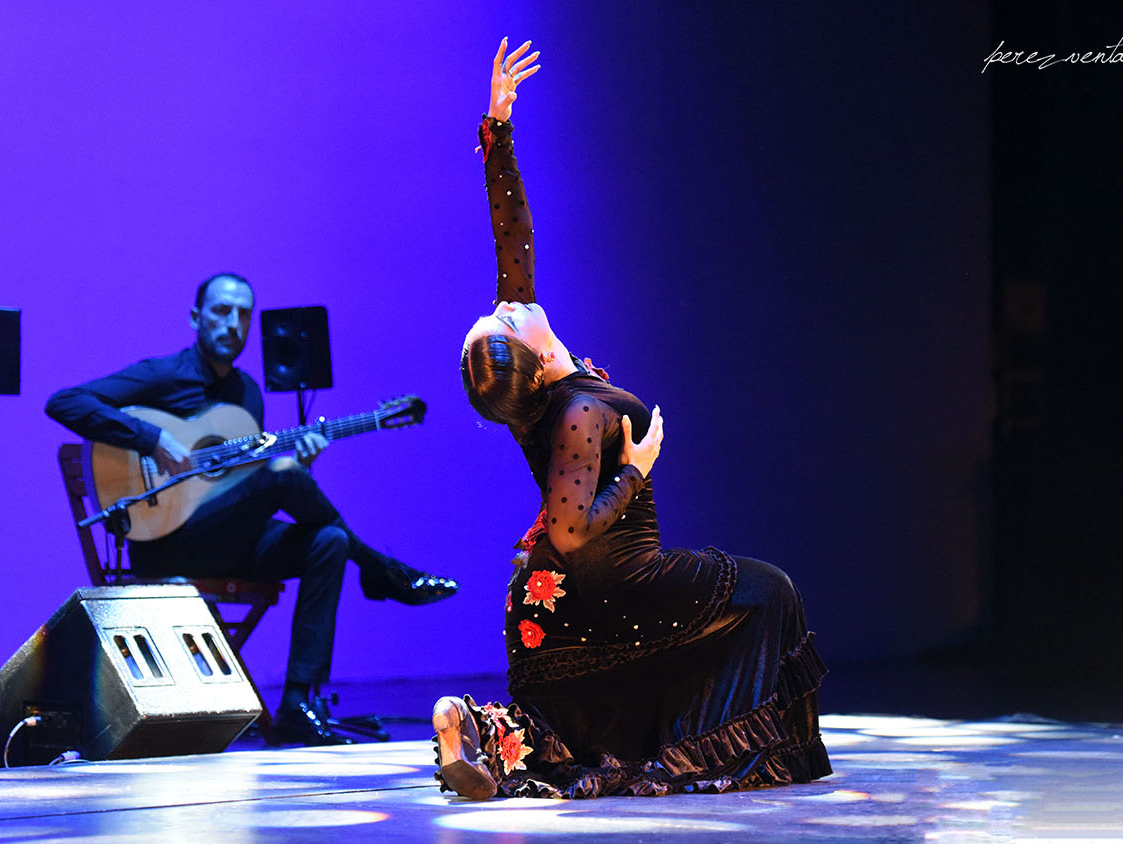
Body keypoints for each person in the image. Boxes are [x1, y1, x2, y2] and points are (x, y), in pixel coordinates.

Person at [431, 40, 832, 799]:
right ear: (538, 360)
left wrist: (498, 132)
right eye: (505, 320)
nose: (508, 302)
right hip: (615, 575)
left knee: (597, 724)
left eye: (500, 311)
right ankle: (750, 758)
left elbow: (512, 242)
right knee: (769, 591)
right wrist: (636, 473)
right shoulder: (579, 409)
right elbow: (572, 529)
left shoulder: (539, 391)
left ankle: (477, 731)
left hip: (567, 590)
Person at [46, 273, 458, 745]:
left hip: (228, 541)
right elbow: (65, 403)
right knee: (283, 477)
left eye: (244, 314)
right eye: (222, 311)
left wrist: (293, 465)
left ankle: (297, 705)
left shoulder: (248, 395)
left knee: (329, 540)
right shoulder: (164, 376)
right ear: (195, 317)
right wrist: (152, 437)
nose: (234, 323)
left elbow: (241, 490)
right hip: (165, 543)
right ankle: (382, 570)